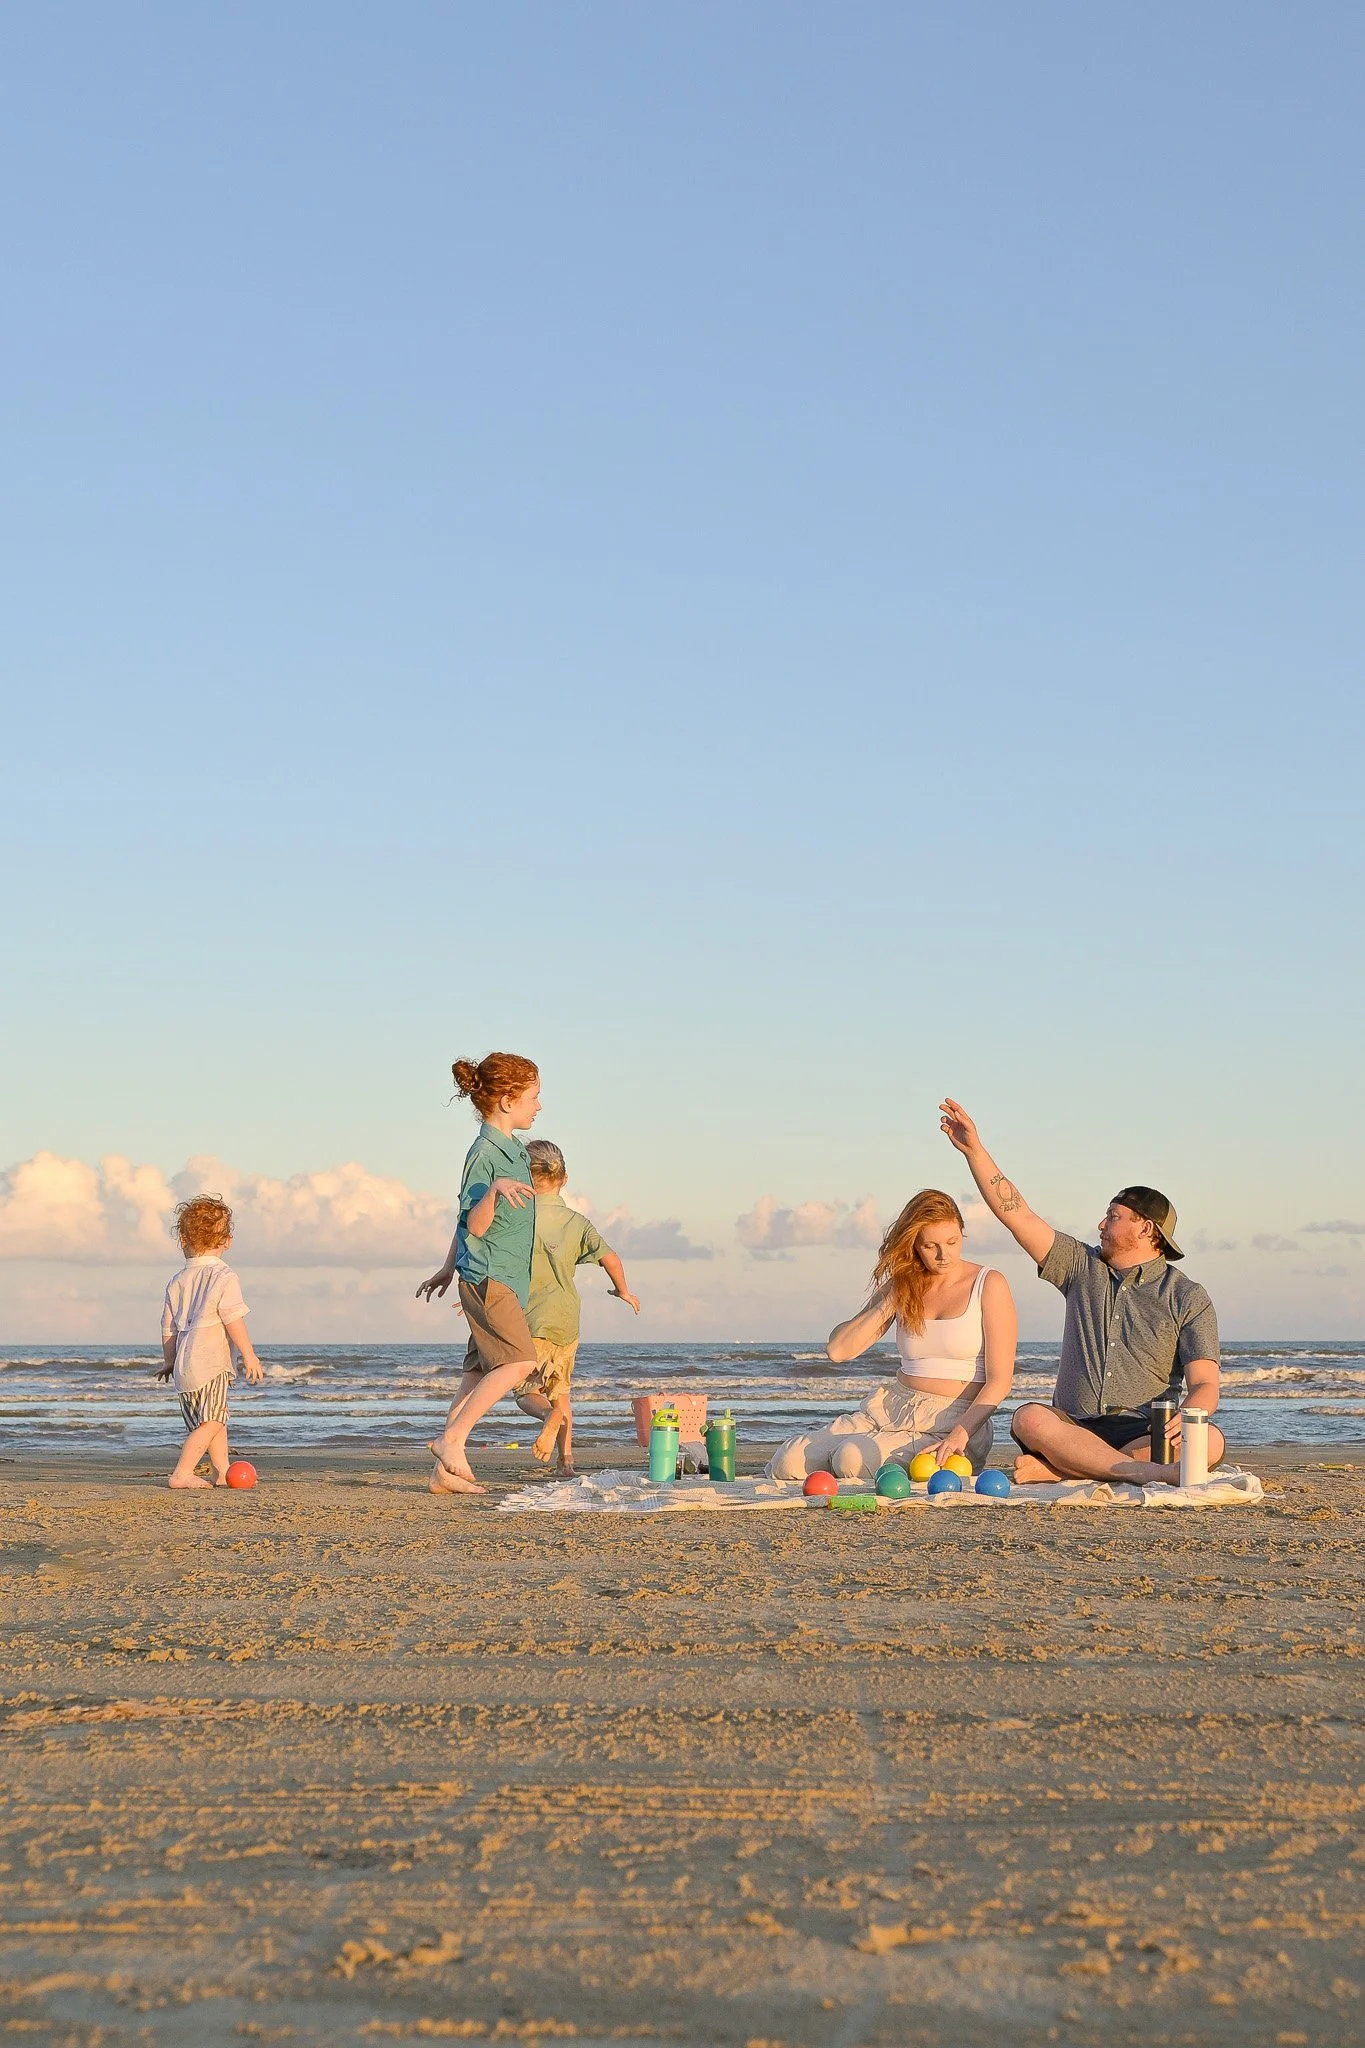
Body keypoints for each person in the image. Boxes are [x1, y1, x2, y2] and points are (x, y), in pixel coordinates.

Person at [939, 1099, 1224, 1484]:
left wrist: (1187, 1417)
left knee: (1210, 1439)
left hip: (1144, 1431)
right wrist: (975, 1150)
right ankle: (1139, 1472)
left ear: (1146, 1229)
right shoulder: (1079, 1266)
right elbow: (1016, 1213)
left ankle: (1069, 1469)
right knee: (1029, 1418)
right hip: (1071, 1427)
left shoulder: (1187, 1296)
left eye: (1113, 1215)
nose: (1101, 1223)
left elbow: (1205, 1384)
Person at [767, 1190, 1017, 1483]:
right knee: (788, 1462)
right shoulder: (903, 1287)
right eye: (930, 1245)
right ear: (914, 1245)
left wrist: (960, 1434)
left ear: (962, 1232)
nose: (943, 1255)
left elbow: (1000, 1380)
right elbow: (839, 1350)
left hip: (955, 1420)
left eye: (952, 1242)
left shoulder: (989, 1284)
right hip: (890, 1407)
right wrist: (896, 1294)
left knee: (850, 1458)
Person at [417, 1052, 543, 1495]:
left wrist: (447, 1267)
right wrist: (493, 1190)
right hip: (490, 1277)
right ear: (507, 1100)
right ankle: (450, 1440)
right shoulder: (484, 1153)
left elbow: (460, 1224)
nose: (538, 1106)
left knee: (474, 1375)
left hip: (499, 1276)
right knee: (521, 1361)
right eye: (533, 1097)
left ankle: (444, 1474)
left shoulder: (514, 1151)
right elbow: (473, 1222)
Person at [515, 1139, 640, 1477]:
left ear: (524, 1178)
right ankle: (566, 1462)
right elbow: (609, 1257)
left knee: (526, 1391)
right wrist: (623, 1290)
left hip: (530, 1318)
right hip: (567, 1320)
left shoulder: (518, 1219)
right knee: (561, 1391)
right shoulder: (577, 1222)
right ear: (565, 1179)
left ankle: (547, 1417)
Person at [157, 1196, 264, 1489]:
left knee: (210, 1420)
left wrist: (169, 1360)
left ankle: (221, 1470)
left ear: (183, 1240)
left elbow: (168, 1327)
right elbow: (232, 1319)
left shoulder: (178, 1280)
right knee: (214, 1420)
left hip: (184, 1365)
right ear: (227, 1240)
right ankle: (182, 1473)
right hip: (210, 1361)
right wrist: (249, 1356)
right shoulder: (223, 1276)